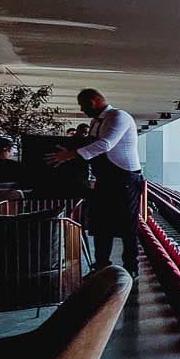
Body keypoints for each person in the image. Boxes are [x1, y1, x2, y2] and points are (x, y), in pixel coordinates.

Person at [47, 88, 142, 277]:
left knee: (127, 225)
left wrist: (70, 155)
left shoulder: (118, 116)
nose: (83, 110)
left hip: (125, 178)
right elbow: (91, 144)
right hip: (106, 178)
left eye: (83, 105)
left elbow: (105, 144)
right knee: (101, 223)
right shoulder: (95, 122)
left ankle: (131, 267)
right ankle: (101, 265)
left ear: (94, 101)